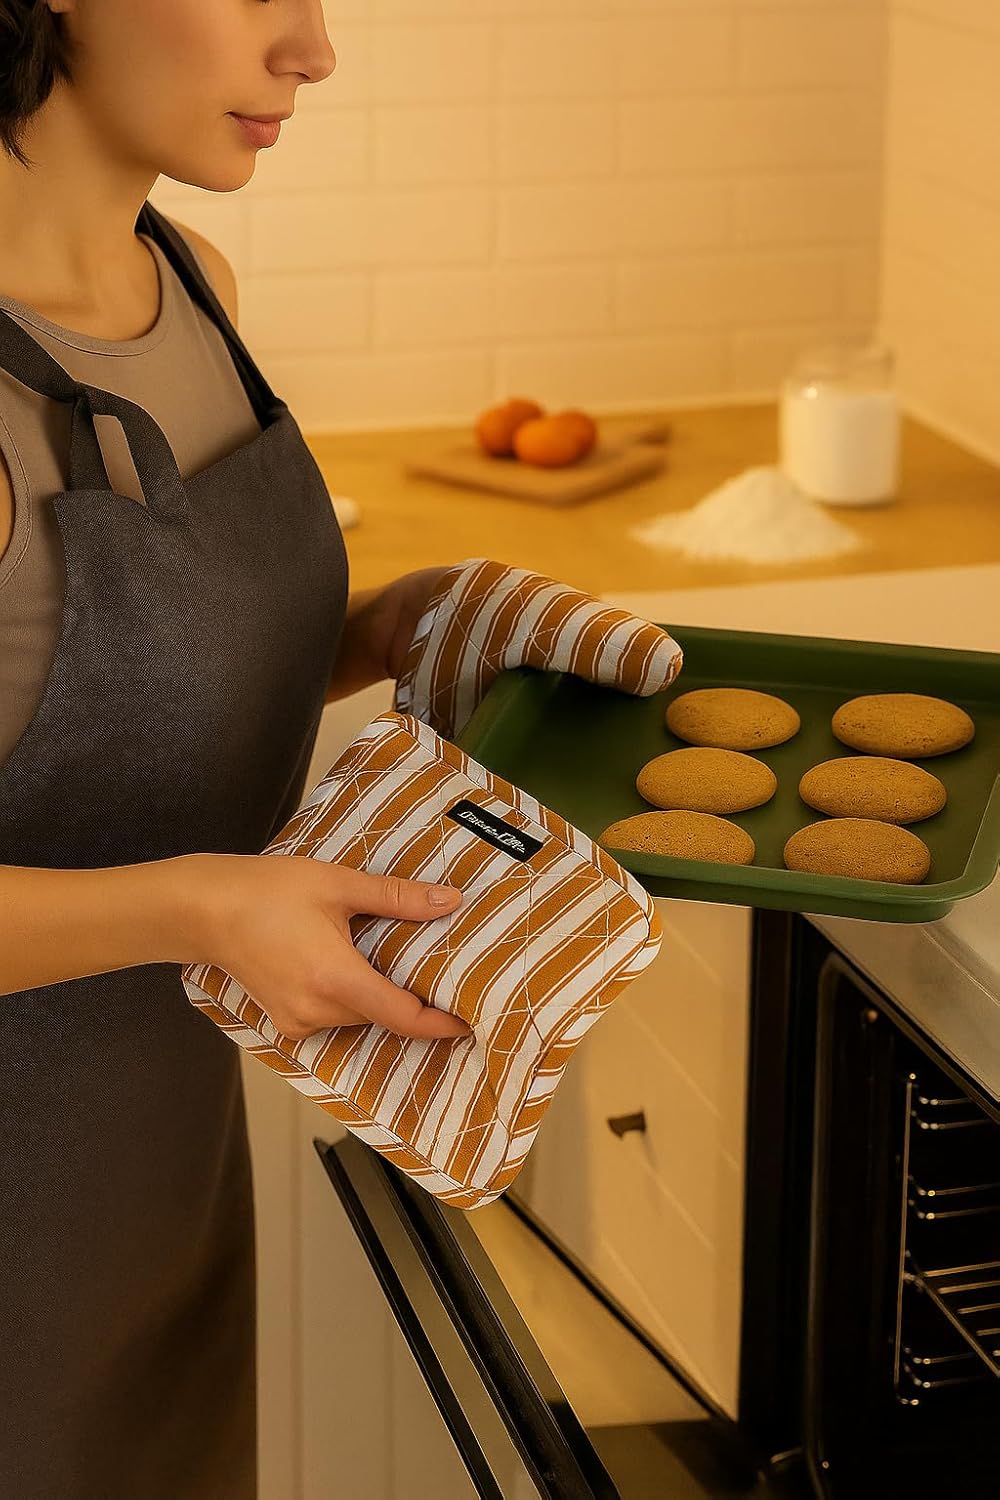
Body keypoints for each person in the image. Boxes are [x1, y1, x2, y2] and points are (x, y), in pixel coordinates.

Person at [0, 2, 471, 1494]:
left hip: (151, 1195)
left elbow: (118, 704)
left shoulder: (191, 284)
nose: (311, 48)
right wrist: (202, 907)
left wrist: (393, 627)